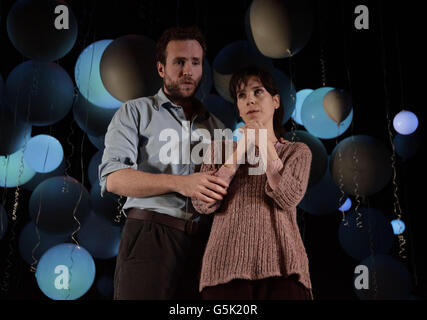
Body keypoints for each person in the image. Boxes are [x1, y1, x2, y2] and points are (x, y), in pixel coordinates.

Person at [98, 26, 230, 300]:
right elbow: (114, 179)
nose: (188, 71)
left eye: (195, 63)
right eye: (179, 62)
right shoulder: (135, 112)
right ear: (161, 69)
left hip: (204, 245)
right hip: (150, 234)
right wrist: (183, 184)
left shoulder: (218, 127)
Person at [192, 66, 314, 300]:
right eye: (242, 95)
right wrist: (237, 155)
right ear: (237, 106)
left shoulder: (297, 152)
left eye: (258, 92)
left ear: (276, 101)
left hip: (284, 268)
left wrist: (266, 147)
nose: (250, 100)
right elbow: (201, 204)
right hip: (224, 270)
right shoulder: (219, 150)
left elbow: (288, 198)